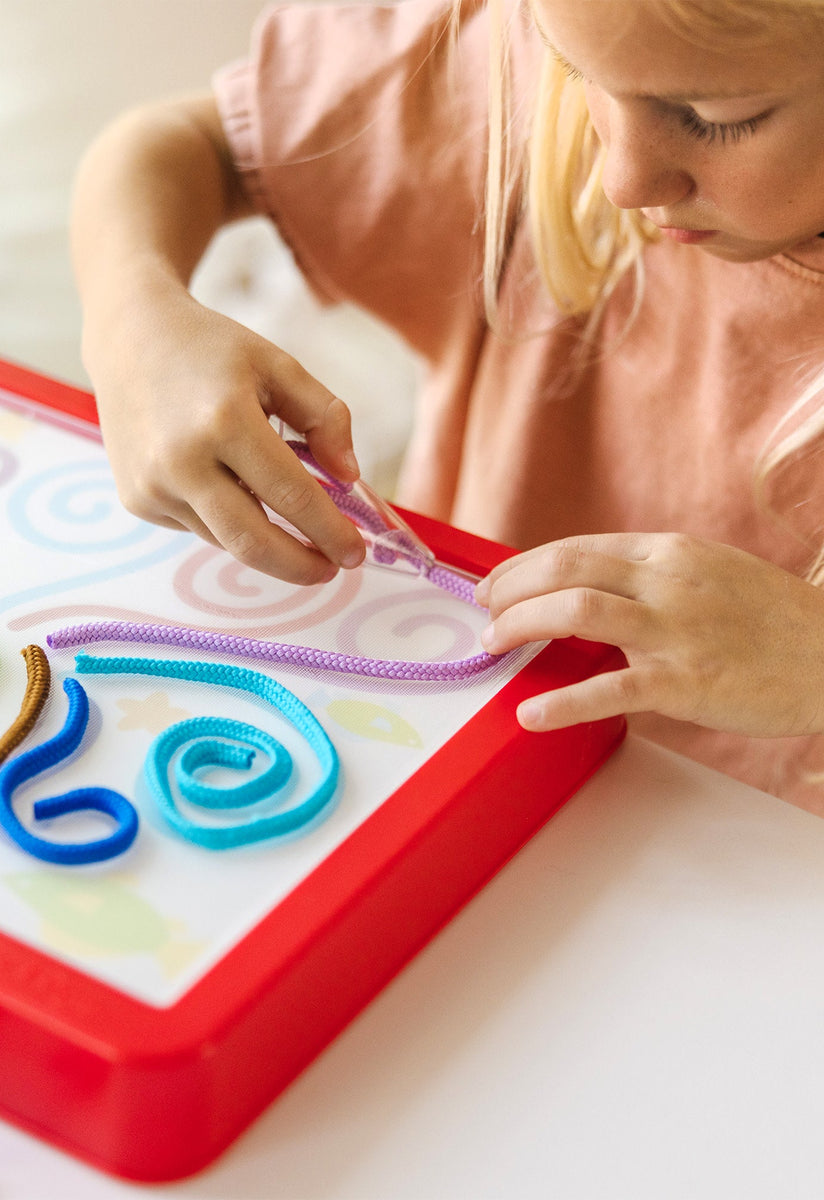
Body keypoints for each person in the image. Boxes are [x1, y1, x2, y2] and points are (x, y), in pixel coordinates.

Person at [69, 0, 824, 811]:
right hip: (462, 779)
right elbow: (183, 145)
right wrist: (132, 319)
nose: (624, 181)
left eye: (715, 118)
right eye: (579, 72)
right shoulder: (513, 71)